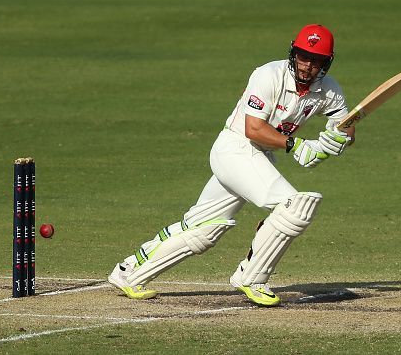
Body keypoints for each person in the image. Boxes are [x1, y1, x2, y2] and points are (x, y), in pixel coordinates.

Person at [108, 24, 355, 307]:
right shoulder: (268, 75)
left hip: (258, 156)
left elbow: (346, 128)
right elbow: (253, 129)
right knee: (295, 207)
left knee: (203, 229)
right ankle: (252, 277)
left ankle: (128, 272)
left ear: (327, 62)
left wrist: (334, 142)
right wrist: (297, 146)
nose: (307, 65)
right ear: (293, 52)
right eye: (303, 56)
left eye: (316, 60)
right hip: (235, 148)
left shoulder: (329, 90)